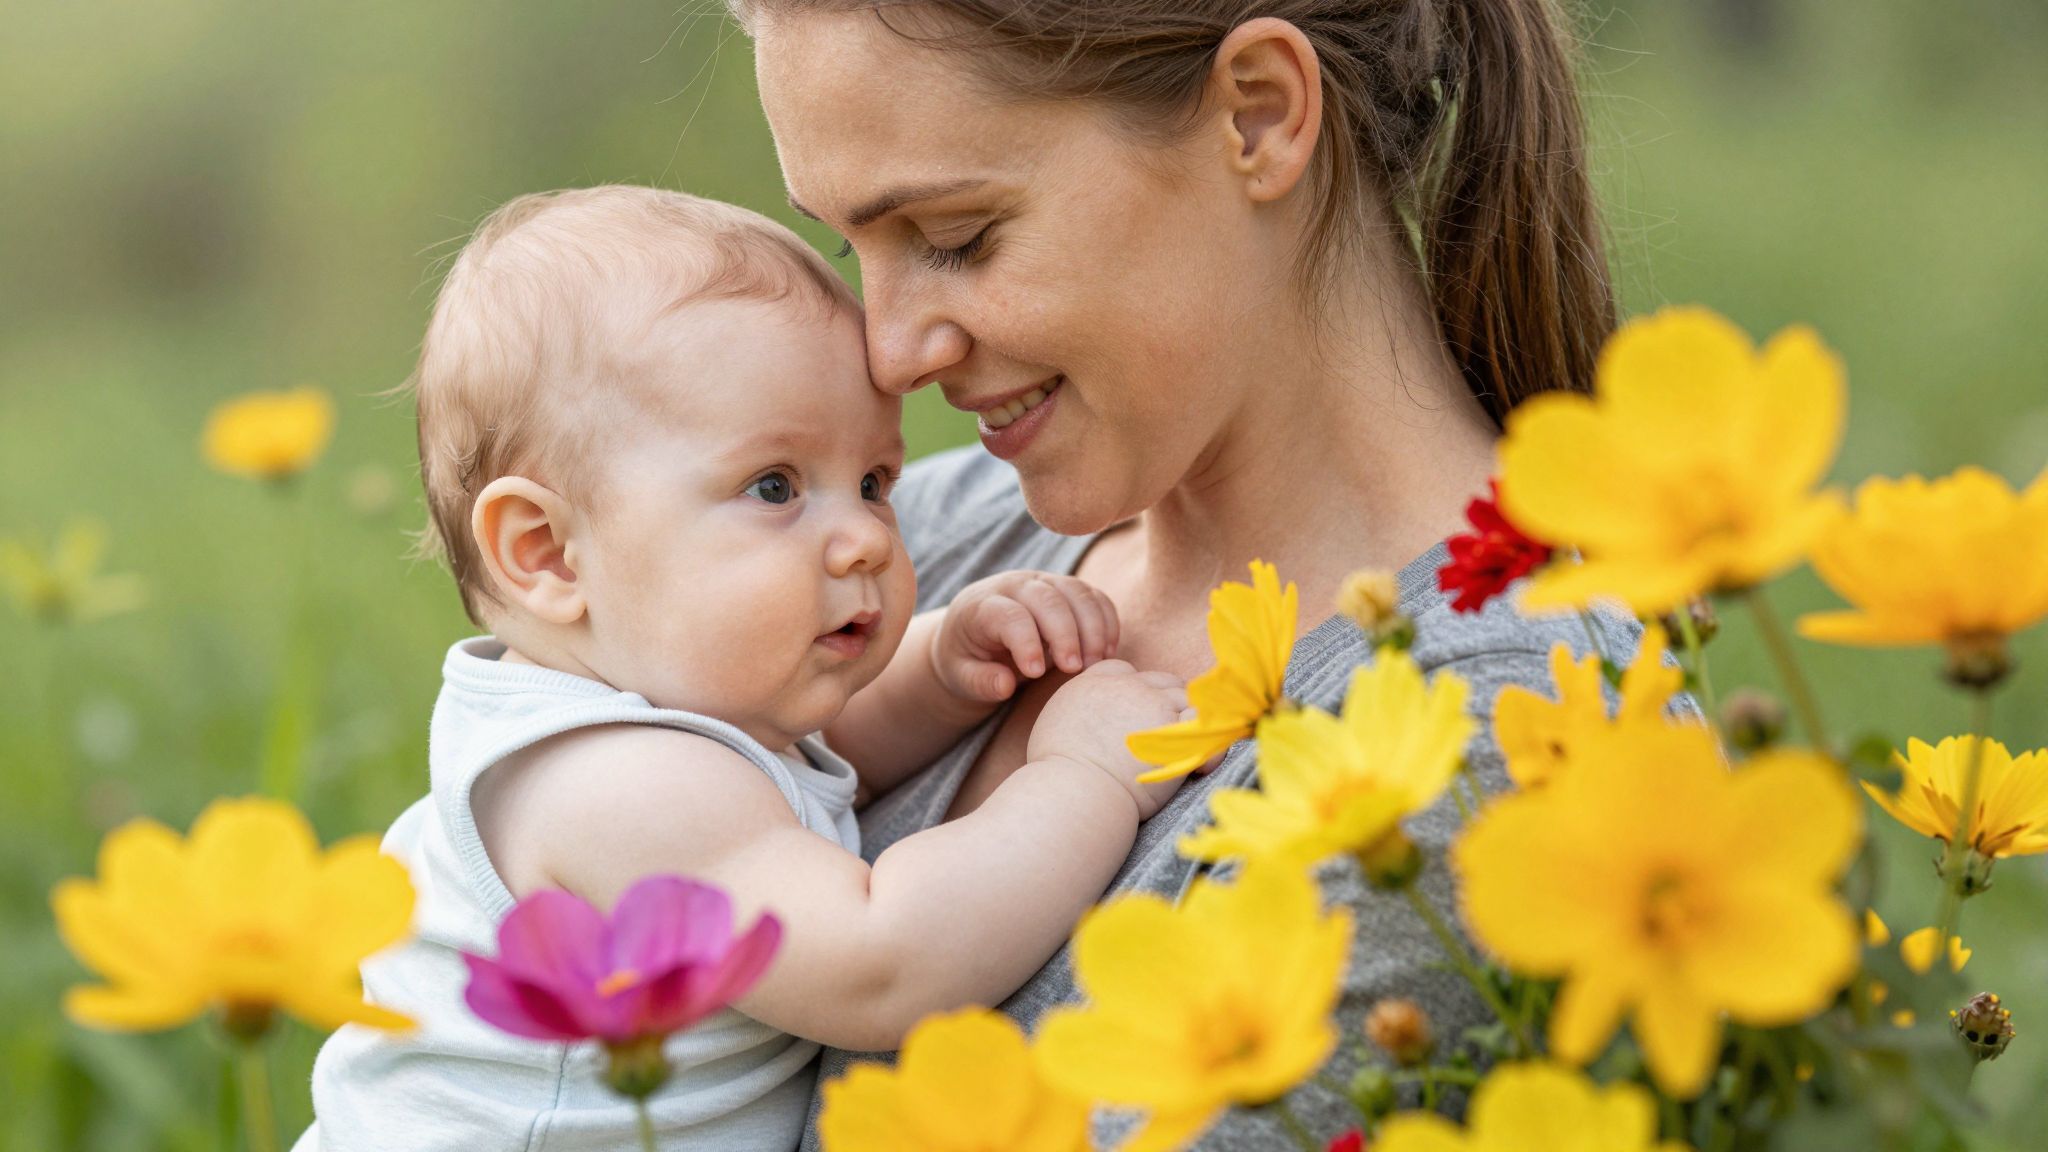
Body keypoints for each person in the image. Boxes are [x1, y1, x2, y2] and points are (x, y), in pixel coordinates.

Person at [726, 2, 1648, 1145]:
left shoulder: (1486, 757)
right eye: (845, 249)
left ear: (1258, 116)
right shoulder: (923, 539)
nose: (888, 349)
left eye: (955, 234)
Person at [295, 184, 1196, 1151]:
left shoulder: (663, 717)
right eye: (775, 486)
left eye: (874, 483)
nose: (860, 538)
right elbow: (884, 961)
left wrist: (939, 662)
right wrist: (1083, 775)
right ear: (550, 554)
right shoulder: (613, 787)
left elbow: (804, 753)